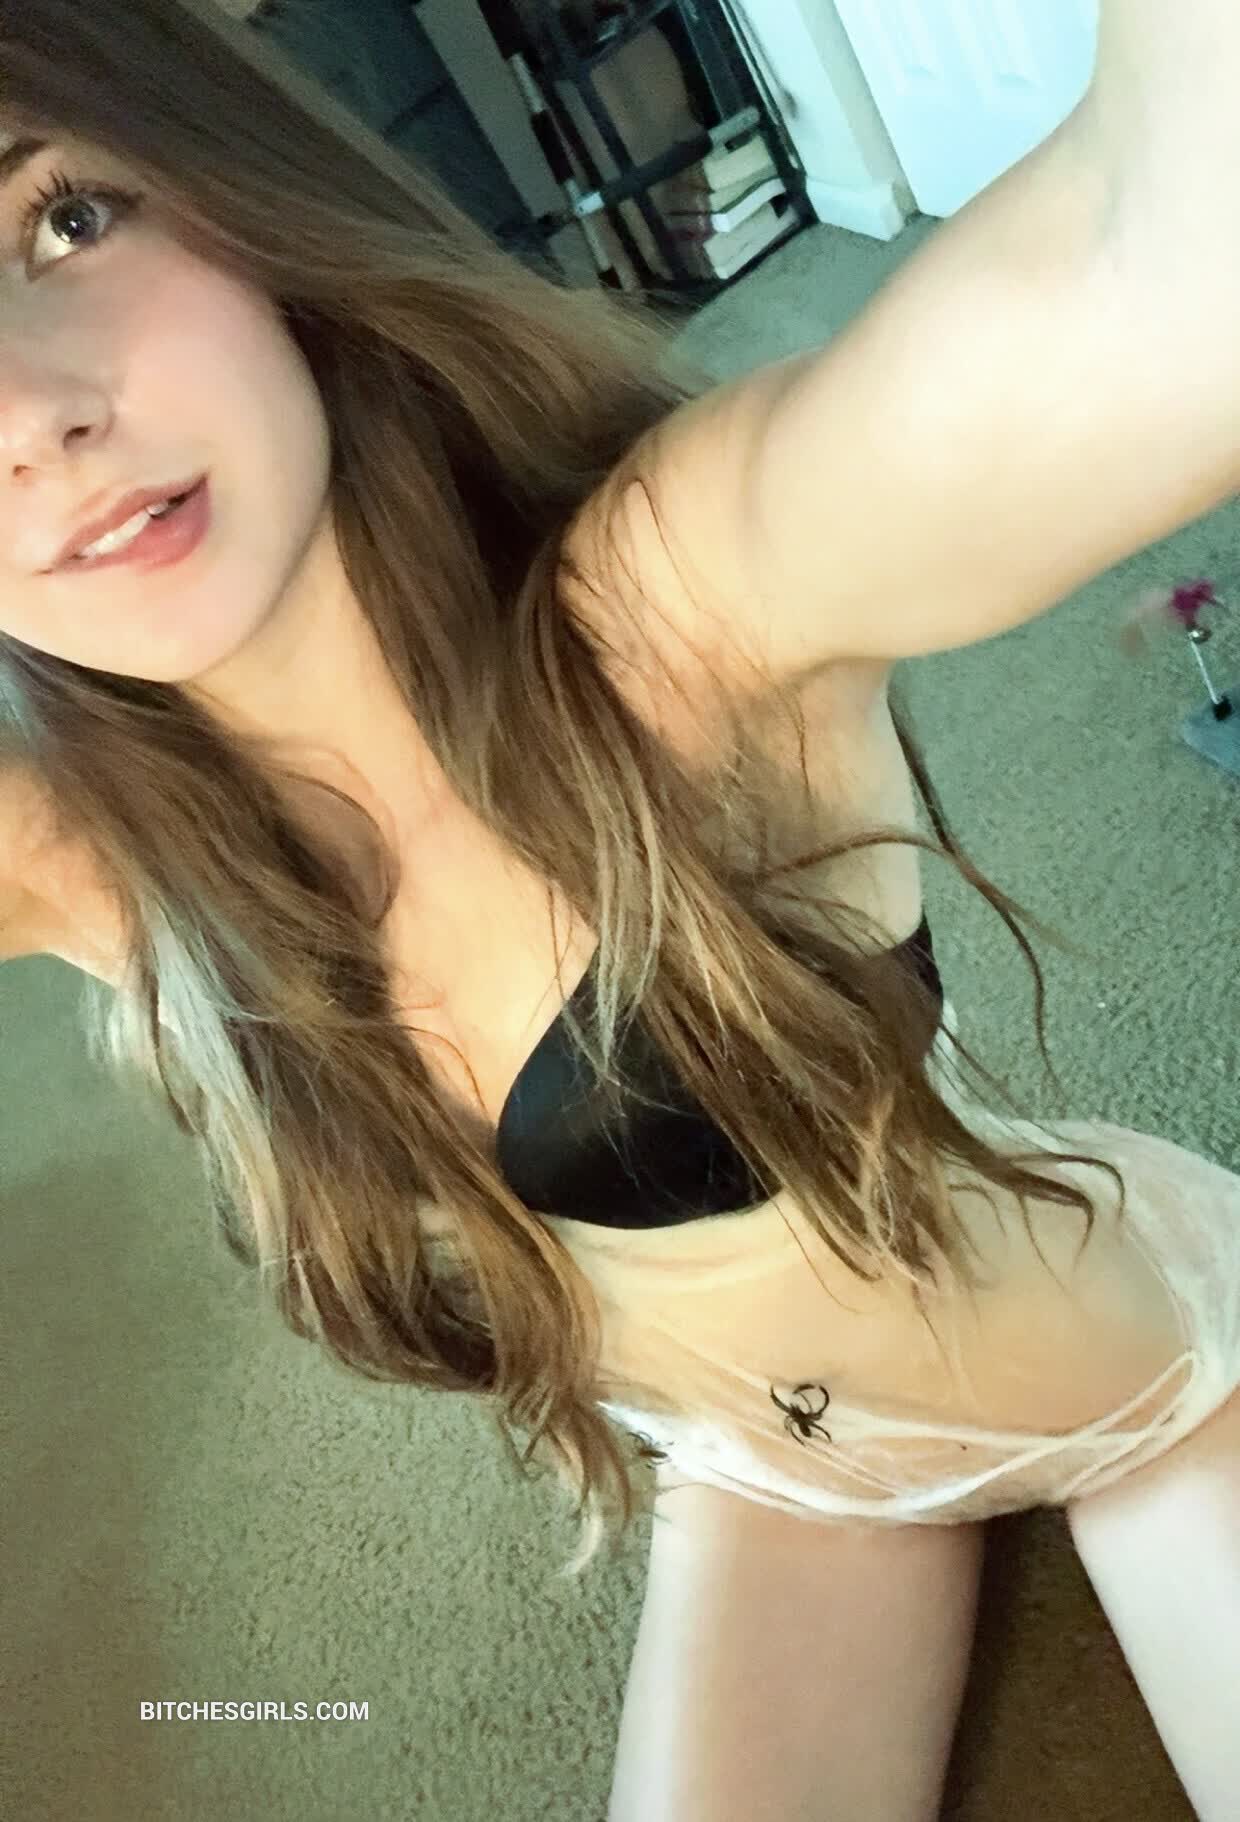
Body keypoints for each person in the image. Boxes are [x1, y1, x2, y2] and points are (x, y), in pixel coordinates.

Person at [0, 3, 1237, 1818]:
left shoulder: (678, 610)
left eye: (65, 218)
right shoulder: (98, 861)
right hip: (771, 1474)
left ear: (237, 193)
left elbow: (1167, 251)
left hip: (1145, 1367)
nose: (32, 416)